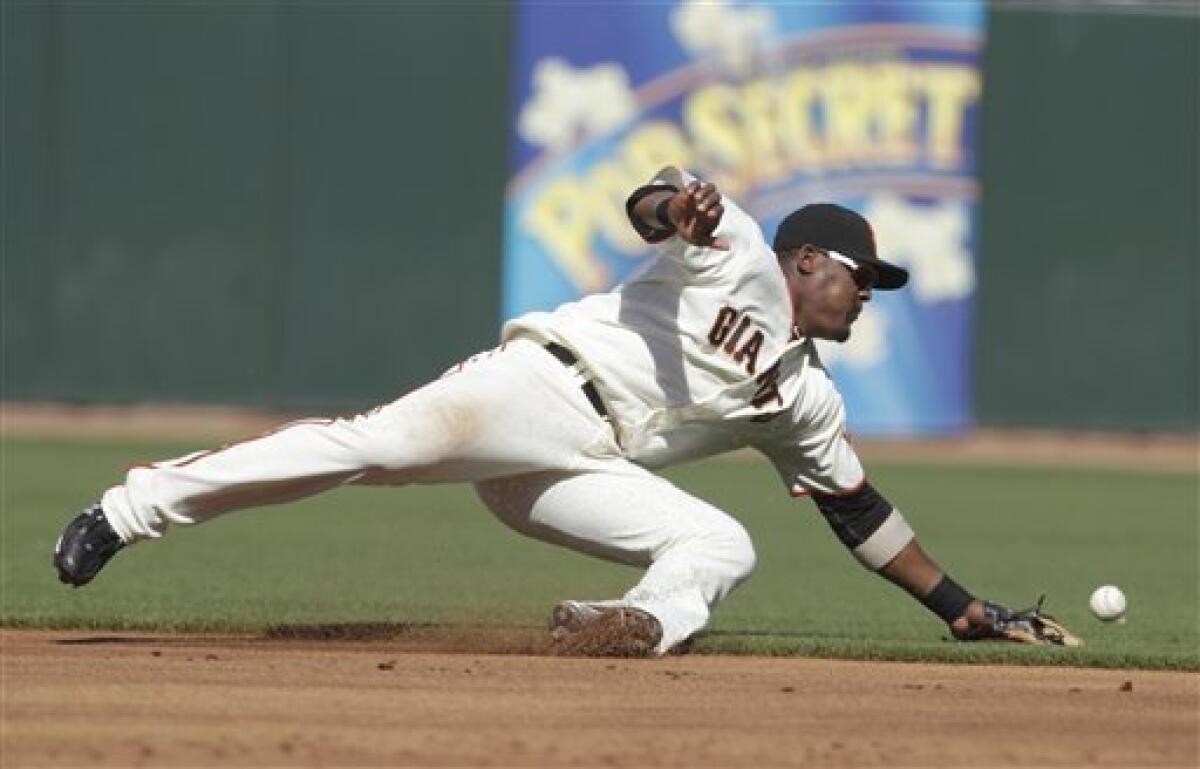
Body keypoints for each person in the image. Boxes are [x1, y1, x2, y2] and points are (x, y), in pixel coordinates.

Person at [53, 167, 1078, 655]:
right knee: (372, 447)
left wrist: (963, 609)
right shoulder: (746, 256)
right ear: (809, 262)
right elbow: (649, 209)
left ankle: (627, 625)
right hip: (539, 386)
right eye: (863, 278)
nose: (869, 294)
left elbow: (856, 509)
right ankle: (130, 509)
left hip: (580, 470)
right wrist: (677, 210)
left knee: (723, 544)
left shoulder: (806, 395)